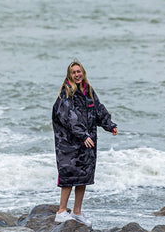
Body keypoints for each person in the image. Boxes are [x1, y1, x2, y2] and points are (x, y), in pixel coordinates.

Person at [52, 60, 118, 227]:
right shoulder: (65, 94)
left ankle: (77, 212)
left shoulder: (88, 90)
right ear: (69, 75)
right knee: (68, 176)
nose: (77, 74)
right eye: (73, 72)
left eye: (79, 71)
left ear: (83, 72)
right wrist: (82, 135)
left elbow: (98, 109)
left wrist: (109, 125)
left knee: (83, 176)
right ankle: (61, 212)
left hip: (87, 141)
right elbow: (69, 118)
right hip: (68, 143)